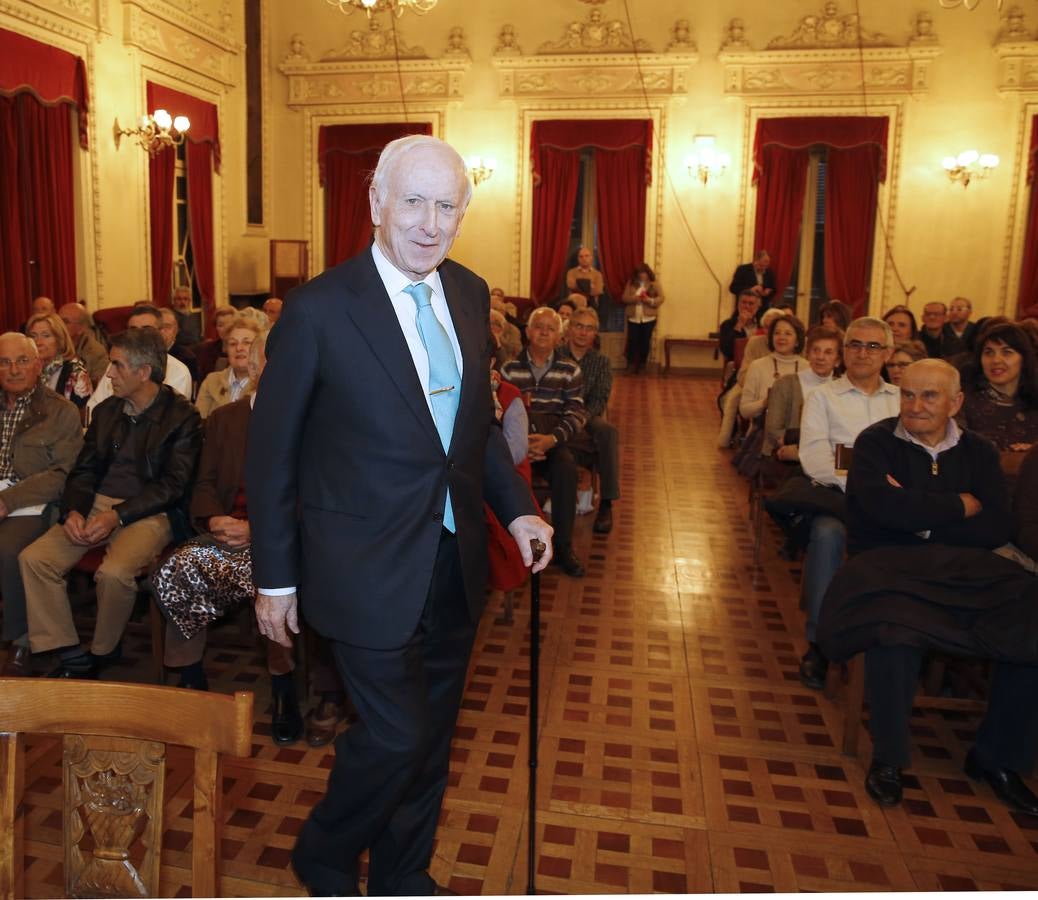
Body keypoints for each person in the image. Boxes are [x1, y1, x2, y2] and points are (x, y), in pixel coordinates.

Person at [245, 134, 551, 898]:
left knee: (434, 735)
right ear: (376, 202)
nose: (428, 222)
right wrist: (275, 579)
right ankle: (322, 852)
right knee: (396, 733)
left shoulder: (472, 293)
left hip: (454, 562)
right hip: (361, 567)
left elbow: (472, 429)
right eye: (412, 200)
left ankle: (403, 873)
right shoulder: (319, 310)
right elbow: (271, 455)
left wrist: (516, 510)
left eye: (446, 205)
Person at [818, 360, 1038, 814]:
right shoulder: (876, 443)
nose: (914, 406)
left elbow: (997, 525)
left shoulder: (978, 451)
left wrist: (919, 515)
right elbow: (880, 512)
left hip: (967, 571)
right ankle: (889, 758)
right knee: (894, 633)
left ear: (955, 402)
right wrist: (959, 507)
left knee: (1030, 625)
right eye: (908, 395)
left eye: (929, 396)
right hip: (888, 569)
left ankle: (997, 759)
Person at [152, 334, 348, 746]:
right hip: (226, 534)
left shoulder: (315, 423)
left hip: (284, 541)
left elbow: (318, 497)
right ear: (254, 371)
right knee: (178, 568)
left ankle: (283, 691)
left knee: (274, 583)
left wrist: (259, 531)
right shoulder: (226, 418)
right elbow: (203, 483)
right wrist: (215, 517)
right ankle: (191, 679)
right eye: (266, 365)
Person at [20, 328, 203, 679]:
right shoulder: (107, 412)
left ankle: (103, 650)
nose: (109, 373)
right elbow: (84, 470)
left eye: (117, 365)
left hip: (150, 510)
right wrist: (73, 510)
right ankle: (66, 649)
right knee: (35, 559)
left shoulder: (183, 417)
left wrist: (116, 516)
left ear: (143, 372)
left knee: (114, 573)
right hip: (97, 504)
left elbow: (172, 486)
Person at [796, 317, 901, 689]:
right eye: (855, 344)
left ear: (888, 353)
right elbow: (815, 457)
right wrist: (860, 485)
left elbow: (910, 460)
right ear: (844, 351)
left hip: (896, 503)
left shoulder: (902, 400)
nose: (863, 353)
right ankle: (820, 643)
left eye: (873, 346)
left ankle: (896, 643)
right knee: (826, 536)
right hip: (842, 501)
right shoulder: (823, 397)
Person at [0, 334, 83, 677]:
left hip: (32, 502)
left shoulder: (60, 411)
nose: (13, 369)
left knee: (7, 551)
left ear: (38, 365)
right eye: (4, 362)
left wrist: (7, 501)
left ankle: (21, 641)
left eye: (22, 361)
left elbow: (62, 474)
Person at [502, 306, 587, 576]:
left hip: (552, 443)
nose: (544, 333)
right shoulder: (509, 369)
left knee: (566, 469)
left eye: (551, 329)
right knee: (500, 474)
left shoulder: (569, 370)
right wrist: (521, 445)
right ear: (528, 332)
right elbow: (498, 413)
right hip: (516, 444)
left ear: (559, 337)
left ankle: (562, 545)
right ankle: (513, 546)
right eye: (539, 327)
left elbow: (576, 413)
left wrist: (550, 440)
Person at [560, 306, 619, 534]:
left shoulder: (601, 362)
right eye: (579, 326)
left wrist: (581, 419)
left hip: (587, 416)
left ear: (595, 333)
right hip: (559, 414)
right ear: (570, 329)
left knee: (608, 432)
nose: (583, 333)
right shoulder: (558, 355)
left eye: (589, 328)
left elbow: (599, 399)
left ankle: (606, 503)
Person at [959, 322, 1038, 476]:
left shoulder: (1034, 401)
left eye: (1006, 352)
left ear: (1023, 358)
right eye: (988, 352)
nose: (996, 360)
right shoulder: (963, 402)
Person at [86, 305, 192, 416]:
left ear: (161, 333)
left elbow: (171, 418)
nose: (138, 336)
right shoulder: (116, 365)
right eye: (133, 330)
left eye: (146, 330)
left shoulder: (179, 371)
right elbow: (93, 409)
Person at [762, 324, 841, 459]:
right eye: (815, 350)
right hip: (785, 460)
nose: (820, 357)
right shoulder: (785, 384)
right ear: (808, 354)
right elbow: (774, 432)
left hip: (828, 460)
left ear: (838, 360)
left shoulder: (842, 389)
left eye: (828, 352)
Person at [739, 314, 805, 422]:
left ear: (797, 341)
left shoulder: (808, 368)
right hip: (763, 430)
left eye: (788, 333)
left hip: (800, 433)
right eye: (777, 333)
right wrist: (764, 403)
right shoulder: (757, 366)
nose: (781, 337)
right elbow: (744, 411)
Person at [25, 313, 93, 415]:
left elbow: (80, 418)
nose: (38, 342)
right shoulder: (25, 370)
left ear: (60, 340)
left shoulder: (75, 372)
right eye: (33, 336)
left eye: (46, 336)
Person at [195, 317, 263, 418]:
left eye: (246, 342)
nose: (239, 348)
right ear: (226, 350)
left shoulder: (264, 383)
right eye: (233, 343)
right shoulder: (211, 381)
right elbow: (199, 423)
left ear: (258, 348)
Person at [621, 264, 664, 374]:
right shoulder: (631, 283)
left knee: (645, 342)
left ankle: (642, 365)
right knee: (632, 341)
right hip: (634, 318)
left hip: (649, 318)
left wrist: (649, 300)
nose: (642, 276)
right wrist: (635, 298)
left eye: (644, 274)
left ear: (648, 273)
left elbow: (661, 298)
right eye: (640, 274)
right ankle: (630, 365)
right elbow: (624, 298)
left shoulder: (654, 284)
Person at [58, 302, 109, 387]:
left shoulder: (96, 353)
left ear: (81, 328)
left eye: (65, 322)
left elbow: (100, 387)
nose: (59, 326)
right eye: (58, 321)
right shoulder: (52, 345)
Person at [194, 304, 238, 381]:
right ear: (216, 328)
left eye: (230, 324)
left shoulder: (243, 350)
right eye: (221, 325)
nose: (226, 329)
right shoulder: (207, 349)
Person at [158, 307, 199, 389]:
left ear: (176, 330)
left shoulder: (187, 357)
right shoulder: (147, 354)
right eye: (159, 327)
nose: (162, 331)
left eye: (167, 327)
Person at [719, 290, 761, 366]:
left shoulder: (762, 324)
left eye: (751, 303)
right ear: (738, 305)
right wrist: (739, 324)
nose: (746, 306)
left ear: (757, 307)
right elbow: (727, 350)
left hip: (759, 363)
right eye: (743, 302)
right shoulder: (727, 325)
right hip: (737, 365)